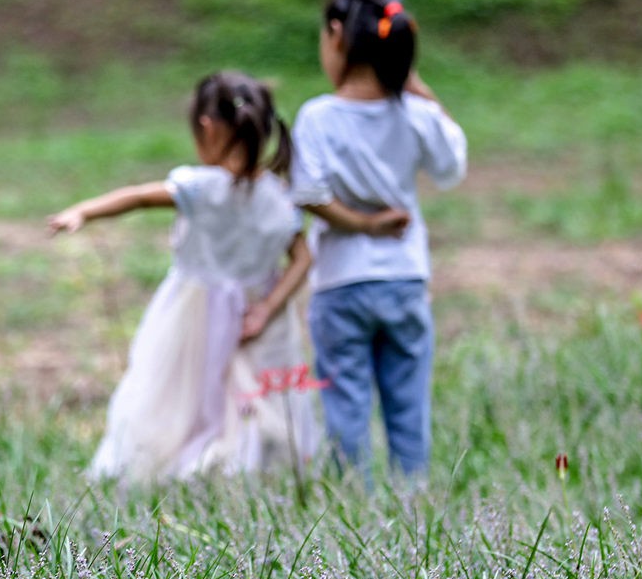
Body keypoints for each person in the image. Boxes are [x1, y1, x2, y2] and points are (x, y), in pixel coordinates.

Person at [48, 71, 410, 484]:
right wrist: (268, 307)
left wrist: (83, 211)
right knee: (252, 397)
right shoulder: (281, 194)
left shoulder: (201, 187)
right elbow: (303, 257)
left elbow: (138, 197)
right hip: (258, 314)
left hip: (192, 311)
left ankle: (175, 465)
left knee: (175, 392)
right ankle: (246, 469)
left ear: (206, 127)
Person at [292, 0, 468, 482]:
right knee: (408, 400)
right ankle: (413, 498)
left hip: (341, 281)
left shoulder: (318, 117)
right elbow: (451, 165)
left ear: (336, 35)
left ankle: (353, 497)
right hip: (405, 278)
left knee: (345, 403)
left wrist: (362, 224)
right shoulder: (415, 113)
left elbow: (309, 194)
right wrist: (419, 88)